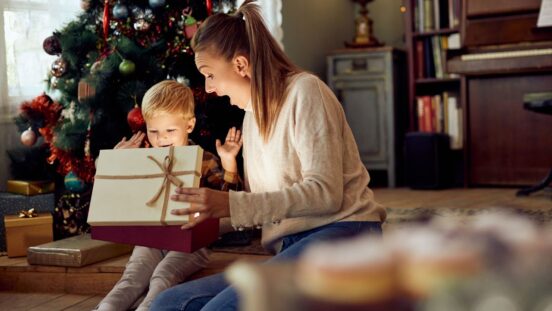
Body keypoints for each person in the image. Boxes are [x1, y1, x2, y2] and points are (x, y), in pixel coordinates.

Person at [150, 1, 386, 310]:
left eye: (209, 74)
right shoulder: (251, 117)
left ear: (240, 66)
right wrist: (203, 219)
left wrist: (230, 204)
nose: (208, 88)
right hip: (292, 246)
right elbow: (267, 204)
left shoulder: (306, 92)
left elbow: (325, 193)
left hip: (344, 233)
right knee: (168, 303)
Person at [94, 80, 242, 311]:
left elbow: (231, 204)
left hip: (193, 241)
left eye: (170, 131)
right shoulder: (143, 159)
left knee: (163, 275)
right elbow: (116, 196)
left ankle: (150, 308)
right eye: (154, 131)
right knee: (131, 279)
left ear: (189, 125)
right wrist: (117, 162)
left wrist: (229, 166)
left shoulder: (204, 160)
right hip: (151, 239)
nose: (161, 139)